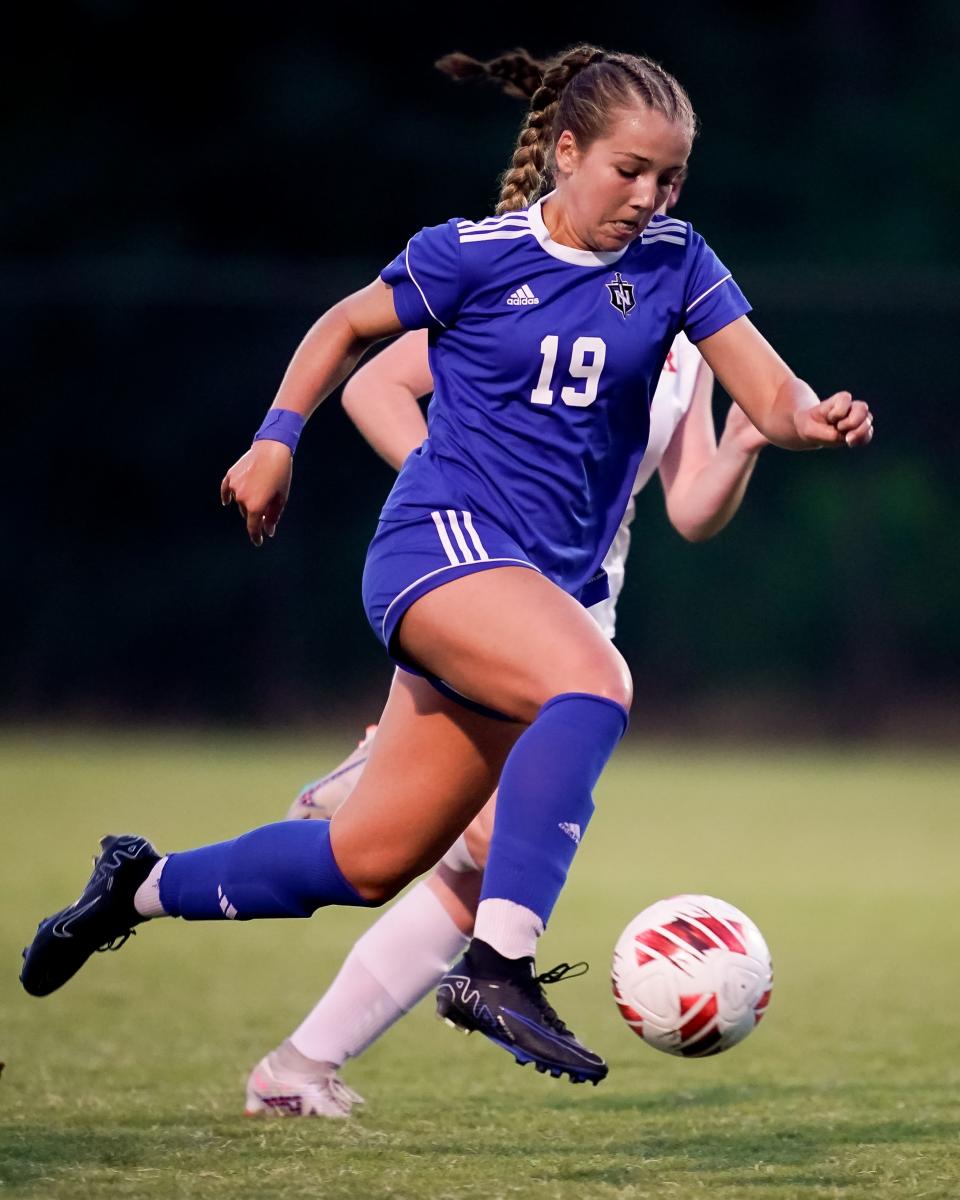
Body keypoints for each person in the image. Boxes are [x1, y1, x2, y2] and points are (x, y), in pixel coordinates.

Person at [21, 45, 873, 1095]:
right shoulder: (472, 256)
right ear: (567, 152)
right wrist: (277, 437)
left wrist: (809, 420)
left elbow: (772, 393)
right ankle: (497, 971)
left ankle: (136, 889)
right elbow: (345, 329)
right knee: (595, 682)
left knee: (366, 862)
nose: (649, 197)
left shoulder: (678, 262)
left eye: (671, 179)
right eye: (629, 171)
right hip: (439, 550)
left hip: (535, 596)